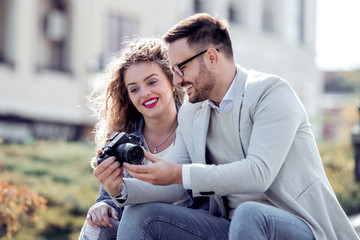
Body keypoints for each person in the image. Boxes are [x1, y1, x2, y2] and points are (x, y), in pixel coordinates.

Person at [118, 13, 359, 239]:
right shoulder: (193, 111)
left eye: (182, 68)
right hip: (233, 228)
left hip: (302, 226)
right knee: (140, 215)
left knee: (250, 213)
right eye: (173, 71)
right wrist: (121, 188)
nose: (178, 80)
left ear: (212, 58)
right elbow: (176, 185)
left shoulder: (270, 92)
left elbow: (259, 174)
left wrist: (180, 174)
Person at [78, 38, 192, 240]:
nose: (145, 93)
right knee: (98, 226)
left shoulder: (196, 127)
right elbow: (110, 200)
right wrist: (103, 205)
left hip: (187, 228)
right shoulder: (122, 140)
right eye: (134, 89)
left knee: (140, 213)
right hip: (137, 233)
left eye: (152, 81)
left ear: (172, 81)